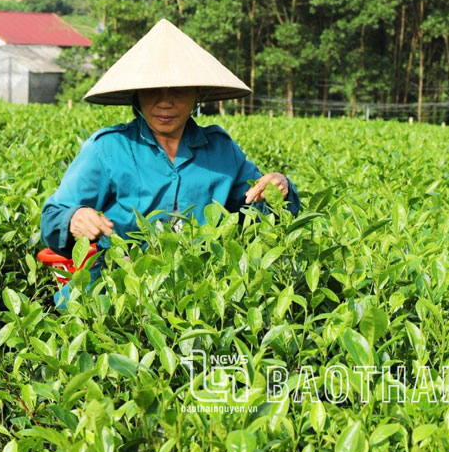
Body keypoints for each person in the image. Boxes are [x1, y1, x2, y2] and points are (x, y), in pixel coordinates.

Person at [41, 19, 300, 303]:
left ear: (197, 94)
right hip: (116, 291)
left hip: (202, 294)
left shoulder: (222, 150)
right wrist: (73, 219)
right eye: (153, 91)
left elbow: (264, 214)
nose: (165, 102)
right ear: (136, 96)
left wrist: (280, 187)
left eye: (178, 90)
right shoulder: (108, 148)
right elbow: (52, 216)